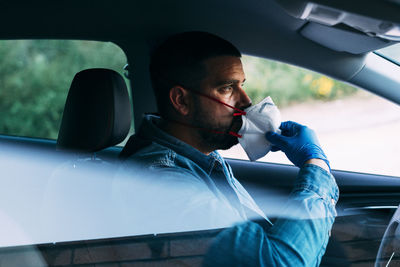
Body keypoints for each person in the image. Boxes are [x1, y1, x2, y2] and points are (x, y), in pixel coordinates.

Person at [119, 31, 339, 265]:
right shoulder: (161, 184)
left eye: (242, 85)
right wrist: (316, 165)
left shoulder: (199, 156)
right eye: (227, 88)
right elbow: (281, 263)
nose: (246, 101)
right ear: (181, 101)